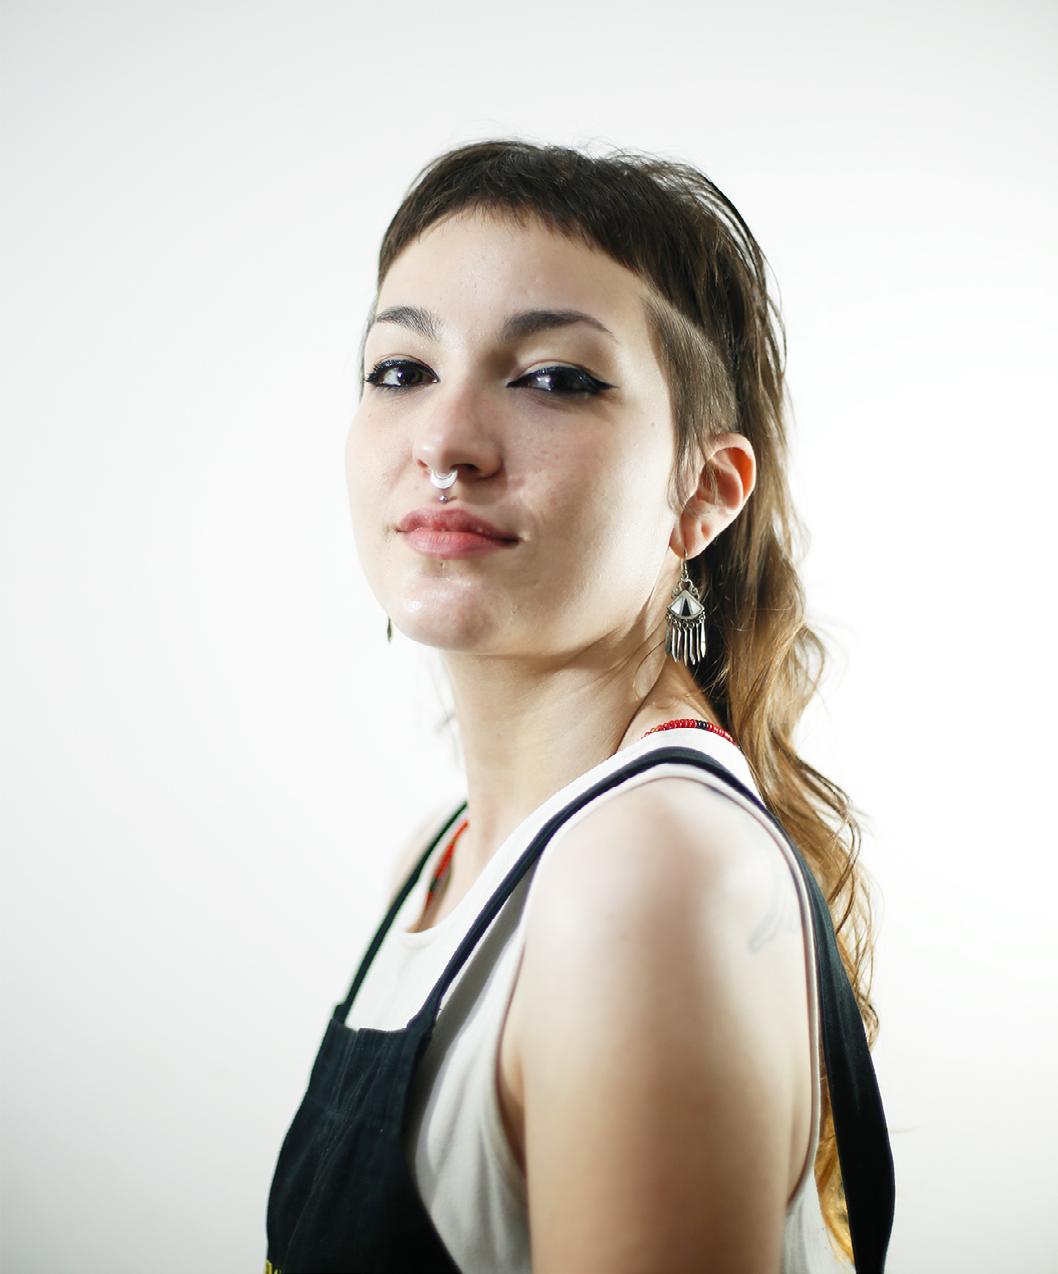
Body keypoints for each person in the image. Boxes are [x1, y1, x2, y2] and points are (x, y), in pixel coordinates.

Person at [264, 138, 894, 1274]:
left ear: (701, 493)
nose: (444, 442)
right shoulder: (445, 858)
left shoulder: (641, 876)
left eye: (553, 378)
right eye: (401, 370)